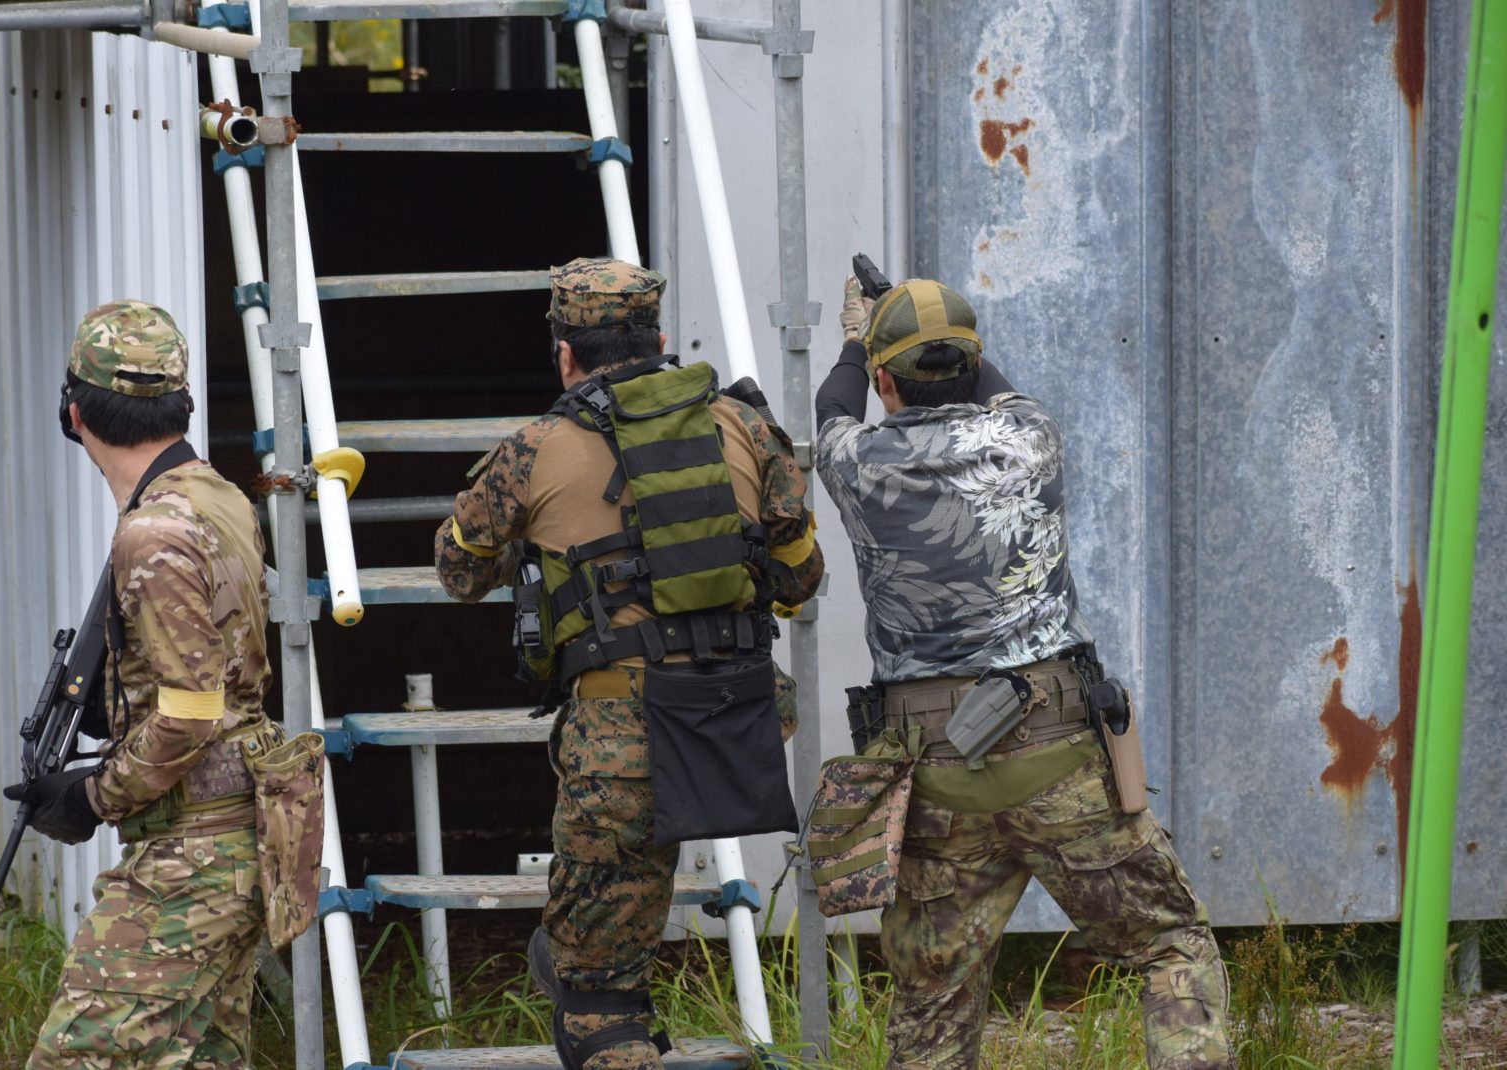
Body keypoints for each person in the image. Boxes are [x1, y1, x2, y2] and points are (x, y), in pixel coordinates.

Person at [814, 276, 1233, 1069]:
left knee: (933, 999)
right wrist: (941, 343)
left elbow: (831, 408)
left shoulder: (857, 461)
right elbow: (995, 389)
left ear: (884, 383)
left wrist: (857, 340)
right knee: (1170, 943)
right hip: (1058, 762)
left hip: (934, 777)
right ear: (972, 366)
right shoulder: (1031, 437)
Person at [436, 258, 823, 1070]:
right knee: (610, 944)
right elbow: (801, 578)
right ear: (659, 338)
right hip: (738, 720)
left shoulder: (534, 448)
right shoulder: (745, 425)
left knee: (594, 1001)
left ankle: (610, 1018)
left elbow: (458, 570)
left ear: (566, 355)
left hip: (623, 739)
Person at [10, 300, 275, 1069]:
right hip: (237, 829)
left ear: (74, 412)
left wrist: (91, 797)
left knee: (78, 1056)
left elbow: (191, 712)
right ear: (182, 402)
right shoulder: (218, 495)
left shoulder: (153, 530)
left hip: (194, 853)